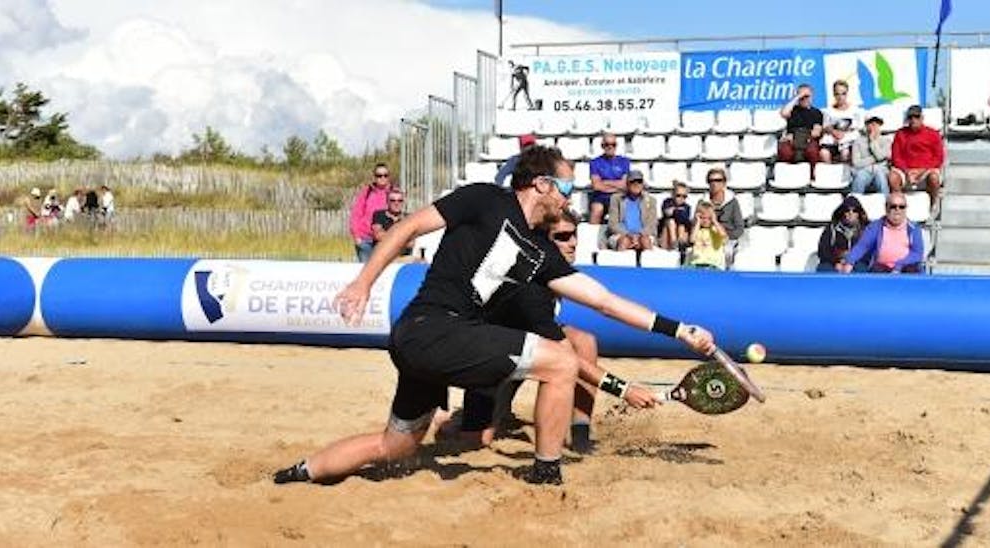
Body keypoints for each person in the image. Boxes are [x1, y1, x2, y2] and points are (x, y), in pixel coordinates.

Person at [272, 145, 715, 486]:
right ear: (541, 184)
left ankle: (298, 473)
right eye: (565, 188)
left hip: (431, 339)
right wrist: (363, 282)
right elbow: (407, 227)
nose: (568, 199)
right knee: (561, 362)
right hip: (432, 327)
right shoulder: (485, 199)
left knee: (397, 446)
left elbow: (604, 300)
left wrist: (680, 330)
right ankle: (545, 475)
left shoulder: (540, 254)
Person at [448, 210, 627, 454]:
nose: (573, 243)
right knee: (476, 442)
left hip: (526, 350)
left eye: (574, 235)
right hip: (495, 361)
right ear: (542, 242)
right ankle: (447, 418)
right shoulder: (529, 286)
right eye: (563, 237)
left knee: (584, 340)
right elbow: (569, 356)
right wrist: (624, 389)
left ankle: (581, 434)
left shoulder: (556, 273)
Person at [837, 193, 924, 274]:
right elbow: (862, 246)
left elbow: (917, 254)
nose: (897, 210)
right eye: (893, 206)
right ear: (886, 208)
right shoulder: (875, 227)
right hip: (881, 268)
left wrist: (899, 265)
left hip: (906, 268)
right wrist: (849, 262)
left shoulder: (914, 229)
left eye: (901, 207)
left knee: (912, 270)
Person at [889, 105, 945, 206]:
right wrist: (907, 171)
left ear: (922, 118)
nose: (913, 120)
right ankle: (900, 206)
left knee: (934, 178)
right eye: (910, 117)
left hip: (926, 170)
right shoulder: (900, 134)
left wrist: (922, 171)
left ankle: (932, 206)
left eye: (916, 117)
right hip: (905, 171)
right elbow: (896, 157)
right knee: (893, 178)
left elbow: (938, 158)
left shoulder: (933, 134)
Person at [349, 163, 394, 262]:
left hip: (385, 240)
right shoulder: (366, 192)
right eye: (379, 175)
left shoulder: (394, 194)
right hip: (365, 240)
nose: (382, 178)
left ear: (389, 176)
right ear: (374, 177)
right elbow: (356, 214)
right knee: (366, 273)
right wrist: (357, 237)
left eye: (385, 175)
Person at [606, 170, 657, 251]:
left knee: (645, 241)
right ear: (627, 184)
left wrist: (639, 235)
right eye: (632, 181)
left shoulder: (651, 201)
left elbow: (652, 224)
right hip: (621, 234)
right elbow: (612, 224)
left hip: (643, 235)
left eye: (639, 181)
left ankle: (649, 262)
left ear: (643, 184)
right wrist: (628, 234)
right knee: (624, 241)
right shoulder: (616, 199)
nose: (636, 184)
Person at [817, 196, 869, 272]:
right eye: (847, 210)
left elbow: (870, 252)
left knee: (862, 269)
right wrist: (836, 262)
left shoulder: (866, 230)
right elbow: (823, 251)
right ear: (842, 212)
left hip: (857, 263)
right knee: (824, 268)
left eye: (855, 210)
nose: (851, 213)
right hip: (834, 262)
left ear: (859, 213)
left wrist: (851, 261)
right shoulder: (831, 228)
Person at [588, 132, 631, 224]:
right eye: (607, 144)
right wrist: (616, 184)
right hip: (600, 196)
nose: (610, 147)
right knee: (596, 209)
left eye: (613, 144)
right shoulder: (595, 162)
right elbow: (596, 186)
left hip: (619, 195)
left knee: (622, 208)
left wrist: (605, 182)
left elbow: (624, 184)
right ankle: (591, 237)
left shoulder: (624, 161)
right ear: (602, 146)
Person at [777, 83, 824, 167]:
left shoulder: (817, 113)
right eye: (802, 97)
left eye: (807, 96)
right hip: (791, 140)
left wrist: (799, 137)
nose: (804, 99)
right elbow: (784, 113)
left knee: (812, 151)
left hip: (807, 139)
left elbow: (816, 132)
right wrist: (798, 97)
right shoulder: (792, 110)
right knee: (785, 152)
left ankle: (813, 176)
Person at [705, 167, 745, 264]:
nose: (714, 184)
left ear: (724, 183)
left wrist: (726, 237)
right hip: (708, 238)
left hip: (728, 239)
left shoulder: (733, 202)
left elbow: (739, 228)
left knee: (727, 252)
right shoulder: (703, 202)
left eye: (718, 180)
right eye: (711, 181)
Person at [819, 79, 862, 163]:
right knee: (823, 153)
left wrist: (844, 134)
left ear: (847, 94)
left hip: (848, 141)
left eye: (843, 94)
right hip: (831, 141)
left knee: (845, 153)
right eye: (837, 94)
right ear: (834, 94)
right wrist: (833, 132)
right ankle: (830, 173)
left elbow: (858, 128)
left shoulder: (855, 110)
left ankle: (845, 174)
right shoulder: (828, 111)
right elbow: (825, 127)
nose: (840, 97)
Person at [850, 116, 892, 195]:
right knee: (860, 177)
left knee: (880, 175)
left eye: (876, 124)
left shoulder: (886, 141)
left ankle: (885, 202)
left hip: (881, 169)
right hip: (863, 170)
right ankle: (854, 202)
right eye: (871, 124)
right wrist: (876, 159)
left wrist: (873, 141)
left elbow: (881, 156)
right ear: (866, 126)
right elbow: (856, 163)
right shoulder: (858, 141)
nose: (874, 126)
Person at [687, 201, 727, 269]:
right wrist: (698, 222)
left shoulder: (715, 229)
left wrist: (714, 221)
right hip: (697, 263)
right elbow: (692, 240)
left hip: (712, 264)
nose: (705, 221)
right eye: (702, 218)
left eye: (708, 218)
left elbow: (723, 235)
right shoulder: (697, 230)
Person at [372, 189, 412, 256]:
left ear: (403, 202)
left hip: (403, 257)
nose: (396, 203)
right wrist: (403, 238)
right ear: (387, 202)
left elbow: (411, 243)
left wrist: (387, 236)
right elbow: (378, 236)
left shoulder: (408, 218)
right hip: (383, 256)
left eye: (400, 200)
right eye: (392, 200)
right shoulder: (379, 215)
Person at [658, 181, 693, 250]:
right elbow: (667, 213)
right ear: (673, 194)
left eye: (684, 196)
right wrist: (677, 211)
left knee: (681, 225)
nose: (681, 198)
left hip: (681, 229)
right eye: (678, 195)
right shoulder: (667, 202)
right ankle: (674, 242)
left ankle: (680, 242)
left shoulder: (687, 207)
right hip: (667, 230)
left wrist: (674, 211)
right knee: (671, 222)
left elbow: (684, 219)